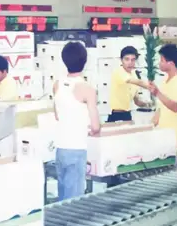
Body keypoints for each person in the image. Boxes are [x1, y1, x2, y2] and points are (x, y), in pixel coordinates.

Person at [53, 42, 100, 201]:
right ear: (85, 61)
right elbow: (95, 126)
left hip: (60, 147)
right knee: (73, 201)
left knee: (62, 197)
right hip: (77, 148)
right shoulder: (88, 89)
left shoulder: (57, 85)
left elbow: (57, 115)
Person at [149, 44, 177, 137]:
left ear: (171, 63)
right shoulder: (164, 81)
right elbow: (160, 109)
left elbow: (175, 107)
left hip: (176, 135)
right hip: (164, 134)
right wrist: (148, 128)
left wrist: (157, 93)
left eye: (162, 60)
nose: (159, 63)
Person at [108, 46, 151, 122]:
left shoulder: (133, 74)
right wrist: (153, 89)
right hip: (115, 115)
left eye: (133, 60)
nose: (130, 63)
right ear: (121, 60)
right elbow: (138, 82)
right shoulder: (119, 72)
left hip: (127, 114)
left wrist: (148, 104)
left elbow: (137, 101)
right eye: (127, 59)